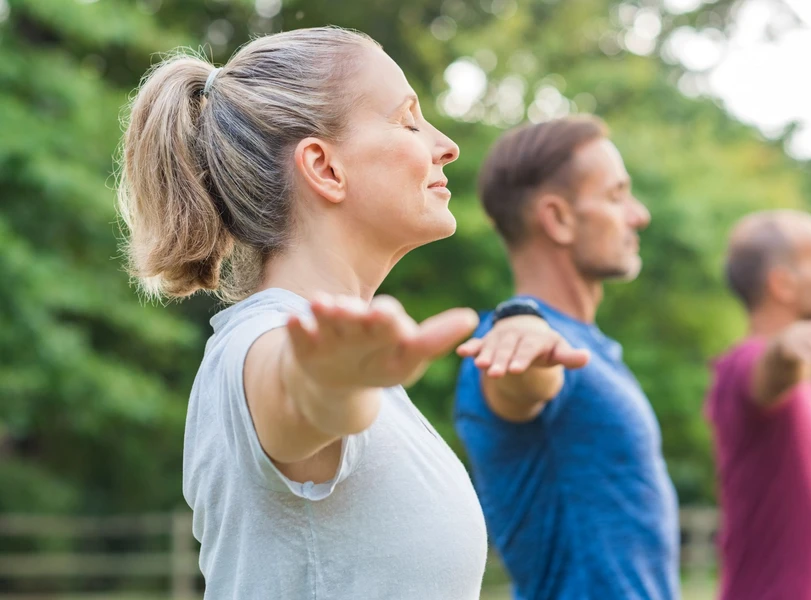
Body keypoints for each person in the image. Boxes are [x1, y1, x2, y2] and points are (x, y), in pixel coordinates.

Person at [117, 27, 488, 599]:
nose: (446, 145)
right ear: (324, 167)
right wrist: (327, 383)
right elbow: (291, 391)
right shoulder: (262, 344)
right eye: (409, 120)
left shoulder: (354, 365)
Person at [454, 116, 680, 600]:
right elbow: (525, 380)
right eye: (617, 196)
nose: (638, 215)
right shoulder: (511, 343)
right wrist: (523, 329)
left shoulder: (589, 346)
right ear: (558, 218)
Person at [705, 210, 811, 600]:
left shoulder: (801, 382)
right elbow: (769, 369)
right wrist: (786, 347)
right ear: (783, 284)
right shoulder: (742, 365)